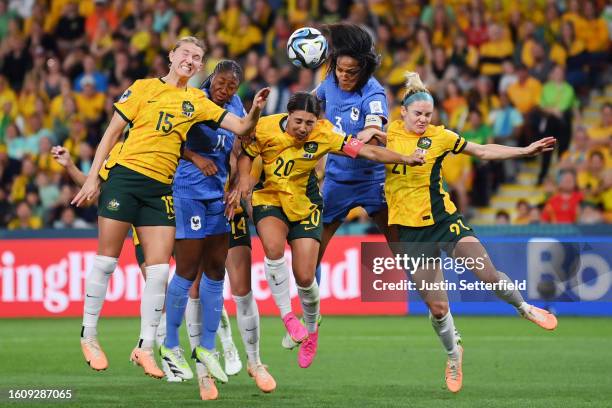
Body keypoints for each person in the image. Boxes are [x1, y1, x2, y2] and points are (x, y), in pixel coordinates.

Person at [72, 36, 269, 378]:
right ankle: (88, 335)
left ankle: (146, 347)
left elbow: (240, 128)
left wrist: (254, 111)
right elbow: (111, 133)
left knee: (161, 272)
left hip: (161, 189)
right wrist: (92, 177)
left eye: (197, 57)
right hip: (126, 179)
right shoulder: (143, 88)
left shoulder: (197, 100)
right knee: (106, 261)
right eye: (186, 53)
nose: (191, 60)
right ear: (172, 55)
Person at [384, 72, 558, 394]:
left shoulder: (441, 137)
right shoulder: (388, 133)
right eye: (418, 114)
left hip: (444, 221)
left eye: (428, 114)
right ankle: (454, 353)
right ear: (403, 113)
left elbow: (482, 151)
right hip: (410, 230)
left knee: (487, 274)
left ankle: (524, 308)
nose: (423, 119)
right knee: (437, 308)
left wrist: (523, 151)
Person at [231, 92, 425, 369]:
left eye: (309, 123)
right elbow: (246, 154)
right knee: (273, 249)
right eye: (298, 121)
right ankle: (288, 317)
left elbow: (367, 151)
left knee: (306, 276)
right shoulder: (264, 127)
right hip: (270, 198)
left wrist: (404, 159)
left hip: (306, 204)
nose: (303, 128)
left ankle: (311, 332)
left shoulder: (325, 134)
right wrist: (244, 182)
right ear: (288, 114)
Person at [53, 142, 243, 389]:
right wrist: (69, 165)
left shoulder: (170, 147)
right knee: (161, 292)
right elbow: (97, 187)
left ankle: (224, 346)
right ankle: (167, 360)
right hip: (143, 235)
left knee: (198, 286)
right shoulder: (122, 150)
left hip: (177, 221)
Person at [161, 60, 275, 399]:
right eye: (220, 84)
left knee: (218, 276)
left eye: (231, 86)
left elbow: (243, 145)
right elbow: (167, 138)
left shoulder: (236, 106)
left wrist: (239, 185)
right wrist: (195, 158)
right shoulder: (192, 99)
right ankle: (172, 349)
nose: (224, 91)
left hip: (221, 197)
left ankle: (237, 356)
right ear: (210, 78)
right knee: (188, 274)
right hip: (188, 194)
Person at [282, 22, 392, 349]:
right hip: (337, 182)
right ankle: (308, 320)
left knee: (405, 251)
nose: (344, 76)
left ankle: (440, 314)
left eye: (352, 71)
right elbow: (308, 110)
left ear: (363, 69)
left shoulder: (373, 92)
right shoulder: (327, 84)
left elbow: (374, 126)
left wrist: (360, 137)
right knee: (312, 252)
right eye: (340, 69)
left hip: (372, 182)